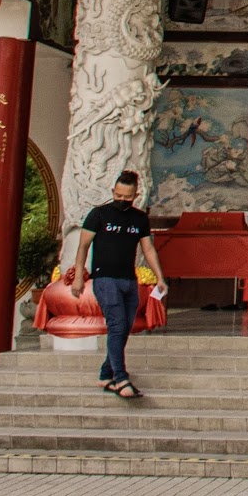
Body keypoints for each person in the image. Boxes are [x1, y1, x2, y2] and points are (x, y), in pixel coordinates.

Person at [68, 170, 166, 399]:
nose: (122, 201)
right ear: (113, 192)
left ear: (136, 195)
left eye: (127, 197)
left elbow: (148, 249)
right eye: (119, 196)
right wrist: (79, 277)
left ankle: (105, 373)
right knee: (116, 325)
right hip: (105, 278)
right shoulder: (98, 214)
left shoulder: (139, 219)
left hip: (129, 280)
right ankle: (121, 378)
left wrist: (159, 277)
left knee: (124, 329)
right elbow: (83, 246)